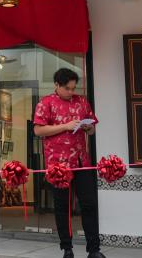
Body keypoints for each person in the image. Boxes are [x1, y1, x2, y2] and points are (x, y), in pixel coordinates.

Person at [33, 68, 103, 258]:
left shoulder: (82, 101)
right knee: (63, 207)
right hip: (58, 165)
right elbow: (38, 131)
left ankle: (94, 249)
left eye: (73, 88)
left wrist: (88, 127)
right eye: (67, 88)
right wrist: (65, 126)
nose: (71, 92)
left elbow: (93, 130)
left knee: (89, 204)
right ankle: (67, 248)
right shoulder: (45, 103)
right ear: (56, 85)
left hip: (81, 161)